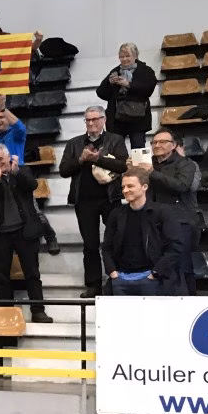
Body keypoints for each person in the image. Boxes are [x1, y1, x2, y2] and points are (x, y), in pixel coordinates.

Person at [0, 97, 61, 255]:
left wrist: (4, 109)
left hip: (16, 176)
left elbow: (19, 126)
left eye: (1, 117)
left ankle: (50, 236)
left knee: (34, 210)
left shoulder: (17, 135)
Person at [58, 106, 128, 297]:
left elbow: (123, 165)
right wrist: (81, 159)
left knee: (115, 240)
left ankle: (118, 279)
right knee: (90, 245)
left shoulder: (115, 140)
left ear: (103, 119)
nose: (91, 123)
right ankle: (93, 284)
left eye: (95, 119)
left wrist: (99, 159)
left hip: (110, 198)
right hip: (84, 200)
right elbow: (64, 170)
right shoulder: (74, 144)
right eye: (87, 120)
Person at [0, 145, 53, 323]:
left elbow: (32, 185)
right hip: (1, 233)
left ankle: (38, 311)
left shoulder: (22, 171)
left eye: (0, 159)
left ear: (9, 158)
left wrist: (16, 173)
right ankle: (5, 312)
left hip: (25, 230)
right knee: (1, 276)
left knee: (32, 273)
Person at [130, 128, 201, 295]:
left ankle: (188, 303)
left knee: (181, 265)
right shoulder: (148, 164)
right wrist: (133, 171)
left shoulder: (186, 164)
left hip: (181, 221)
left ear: (174, 145)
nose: (157, 145)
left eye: (162, 142)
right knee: (154, 266)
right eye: (154, 142)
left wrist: (152, 173)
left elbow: (181, 186)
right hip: (153, 222)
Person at [102, 169, 183, 295]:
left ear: (144, 186)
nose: (125, 190)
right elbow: (107, 247)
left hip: (151, 280)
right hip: (121, 279)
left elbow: (175, 246)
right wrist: (113, 273)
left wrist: (156, 273)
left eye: (130, 186)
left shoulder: (162, 212)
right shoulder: (116, 214)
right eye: (123, 187)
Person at [97, 43, 157, 150]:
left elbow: (148, 90)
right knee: (115, 149)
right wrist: (109, 83)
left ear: (135, 56)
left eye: (127, 56)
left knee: (138, 149)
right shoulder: (115, 71)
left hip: (138, 118)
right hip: (117, 119)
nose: (124, 59)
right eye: (121, 56)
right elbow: (101, 93)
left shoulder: (145, 70)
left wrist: (128, 85)